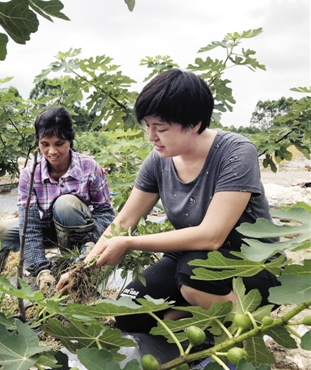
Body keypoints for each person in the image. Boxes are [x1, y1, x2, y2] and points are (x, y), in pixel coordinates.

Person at [56, 69, 281, 333]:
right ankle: (193, 314)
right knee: (130, 312)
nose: (152, 137)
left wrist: (129, 244)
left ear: (195, 124)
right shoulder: (158, 160)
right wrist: (84, 268)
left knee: (194, 274)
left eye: (160, 128)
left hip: (251, 261)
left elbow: (211, 237)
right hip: (189, 256)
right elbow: (125, 222)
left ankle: (240, 331)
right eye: (148, 126)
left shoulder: (236, 152)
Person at [0, 106, 115, 294]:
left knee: (65, 204)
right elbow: (30, 226)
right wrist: (40, 269)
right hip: (44, 229)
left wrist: (92, 242)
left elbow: (105, 213)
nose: (52, 151)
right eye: (45, 144)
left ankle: (75, 272)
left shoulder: (89, 168)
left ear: (70, 140)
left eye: (59, 143)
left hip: (78, 231)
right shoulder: (30, 174)